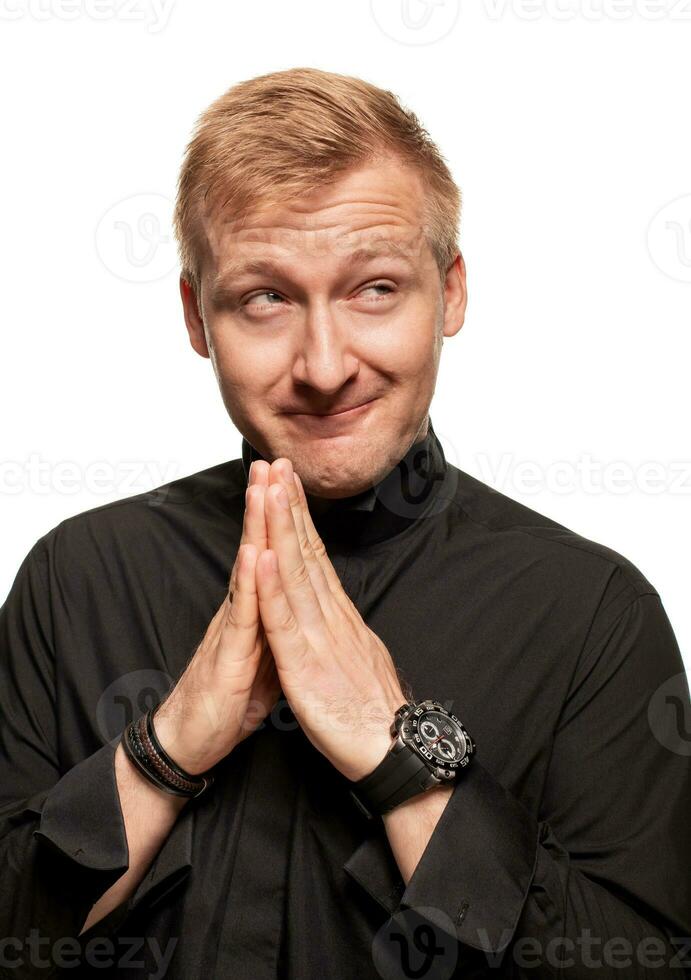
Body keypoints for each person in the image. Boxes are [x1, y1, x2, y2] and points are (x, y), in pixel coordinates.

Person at [1, 66, 689, 979]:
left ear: (449, 292)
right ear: (195, 317)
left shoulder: (593, 611)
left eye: (373, 288)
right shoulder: (74, 577)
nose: (324, 367)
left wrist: (396, 752)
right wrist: (164, 751)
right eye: (265, 298)